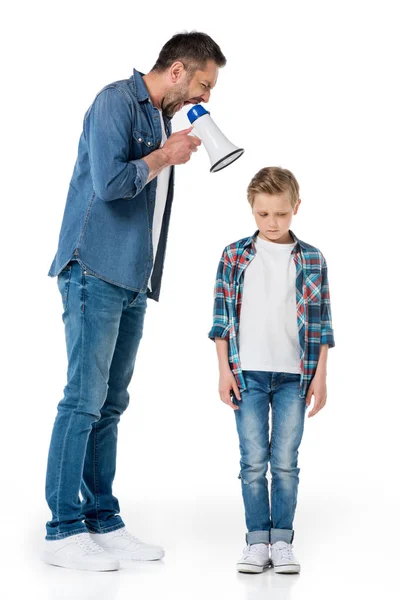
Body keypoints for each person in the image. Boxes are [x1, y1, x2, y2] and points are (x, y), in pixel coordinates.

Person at [42, 31, 226, 572]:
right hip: (92, 268)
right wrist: (164, 156)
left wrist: (167, 149)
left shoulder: (159, 117)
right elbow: (109, 183)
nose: (205, 98)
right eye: (203, 84)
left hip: (131, 278)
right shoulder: (113, 102)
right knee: (82, 399)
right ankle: (62, 529)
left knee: (111, 404)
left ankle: (102, 519)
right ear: (176, 71)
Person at [208, 167, 335, 574]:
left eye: (280, 214)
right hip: (249, 374)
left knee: (284, 461)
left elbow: (323, 322)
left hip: (294, 376)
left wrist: (321, 376)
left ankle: (281, 540)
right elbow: (221, 320)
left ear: (296, 207)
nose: (272, 223)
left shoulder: (312, 258)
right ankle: (256, 542)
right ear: (252, 210)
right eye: (263, 215)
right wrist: (224, 371)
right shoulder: (235, 255)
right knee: (252, 461)